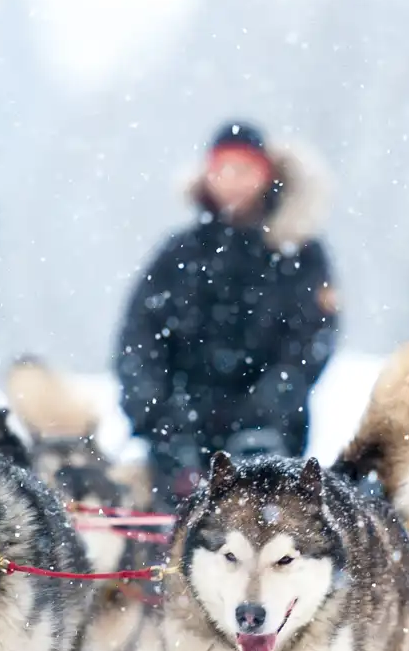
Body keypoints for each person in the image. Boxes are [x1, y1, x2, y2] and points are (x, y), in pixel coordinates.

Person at [114, 120, 340, 509]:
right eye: (223, 169)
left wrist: (268, 408)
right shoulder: (178, 254)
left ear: (267, 175)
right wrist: (161, 421)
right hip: (179, 441)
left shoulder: (301, 253)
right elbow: (139, 340)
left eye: (245, 169)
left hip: (272, 437)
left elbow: (311, 341)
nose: (233, 180)